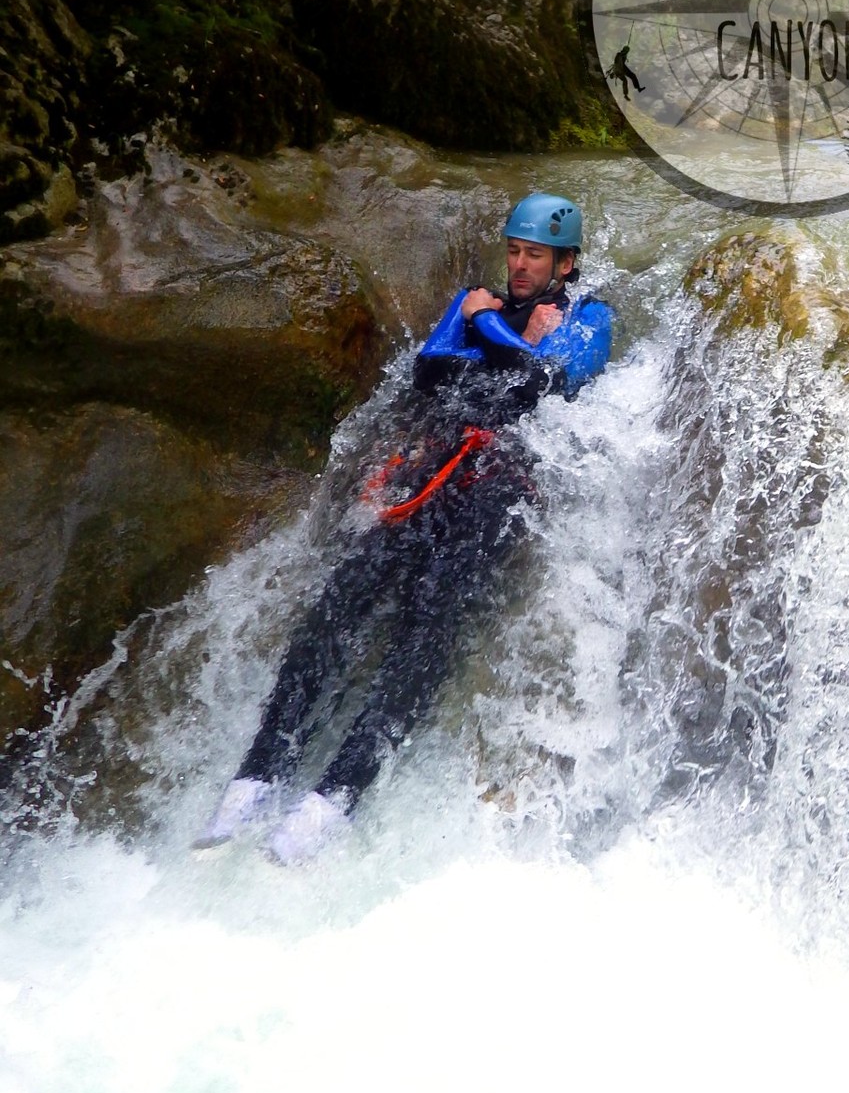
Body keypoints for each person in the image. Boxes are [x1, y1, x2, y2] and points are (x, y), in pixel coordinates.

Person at [195, 192, 613, 863]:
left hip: (499, 493)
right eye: (514, 250)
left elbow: (542, 386)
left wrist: (505, 343)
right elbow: (427, 373)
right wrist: (509, 339)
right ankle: (258, 771)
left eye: (535, 254)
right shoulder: (475, 301)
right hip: (431, 476)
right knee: (337, 605)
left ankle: (337, 793)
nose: (520, 265)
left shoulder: (590, 319)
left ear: (565, 262)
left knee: (428, 626)